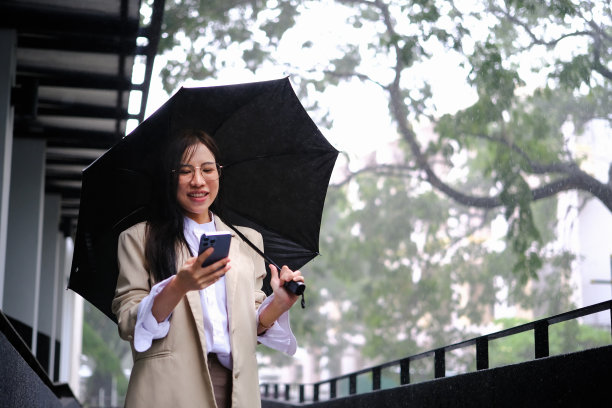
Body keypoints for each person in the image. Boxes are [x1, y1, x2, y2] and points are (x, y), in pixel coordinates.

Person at [112, 129, 305, 408]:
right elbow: (130, 321)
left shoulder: (248, 242)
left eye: (207, 169)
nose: (198, 181)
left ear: (219, 173)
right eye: (185, 171)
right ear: (170, 177)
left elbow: (249, 326)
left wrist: (279, 304)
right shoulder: (138, 239)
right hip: (169, 388)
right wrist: (180, 285)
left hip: (236, 389)